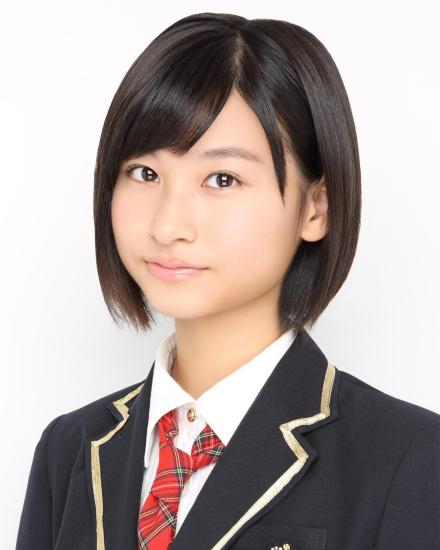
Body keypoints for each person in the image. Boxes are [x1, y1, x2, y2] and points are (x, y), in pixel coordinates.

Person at [16, 12, 439, 550]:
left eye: (222, 179)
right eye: (145, 173)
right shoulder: (69, 449)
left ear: (316, 207)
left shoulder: (408, 458)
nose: (168, 225)